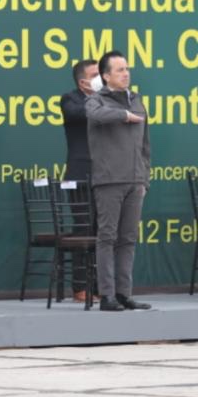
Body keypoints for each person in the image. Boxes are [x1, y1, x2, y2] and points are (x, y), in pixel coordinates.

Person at [87, 51, 152, 312]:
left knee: (128, 239)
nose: (126, 74)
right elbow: (96, 116)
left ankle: (124, 293)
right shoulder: (96, 100)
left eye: (127, 68)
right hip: (109, 180)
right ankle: (106, 295)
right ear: (105, 76)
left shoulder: (136, 100)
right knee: (107, 237)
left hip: (135, 179)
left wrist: (144, 179)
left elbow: (145, 143)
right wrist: (123, 116)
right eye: (119, 70)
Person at [59, 59, 100, 302]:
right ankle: (80, 287)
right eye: (96, 75)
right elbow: (78, 114)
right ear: (83, 81)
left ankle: (101, 285)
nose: (101, 79)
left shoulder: (109, 99)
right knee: (83, 229)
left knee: (104, 232)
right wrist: (98, 98)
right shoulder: (70, 99)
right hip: (80, 176)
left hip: (106, 175)